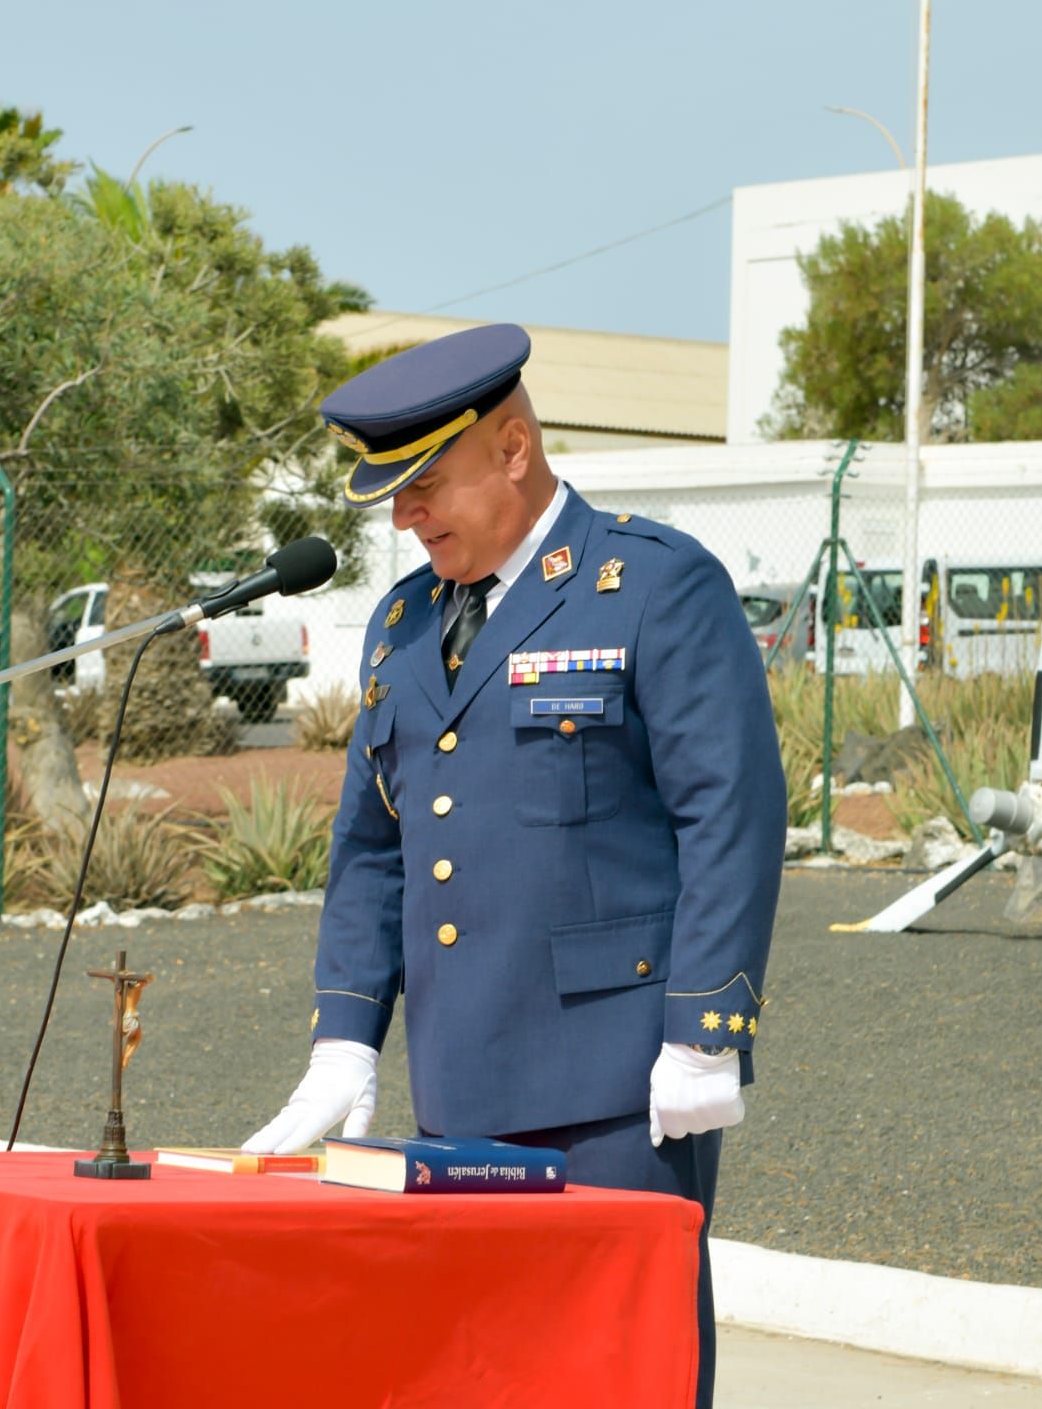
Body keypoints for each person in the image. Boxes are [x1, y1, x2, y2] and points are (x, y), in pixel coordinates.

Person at [245, 322, 786, 1409]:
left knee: (617, 1371)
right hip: (457, 1087)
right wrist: (344, 1040)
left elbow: (729, 812)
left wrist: (704, 1029)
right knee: (481, 1374)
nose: (404, 515)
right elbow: (371, 844)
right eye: (391, 493)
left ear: (513, 447)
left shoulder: (649, 585)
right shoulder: (403, 621)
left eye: (425, 483)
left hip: (619, 1091)